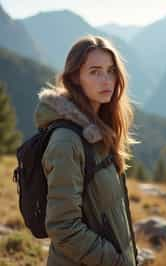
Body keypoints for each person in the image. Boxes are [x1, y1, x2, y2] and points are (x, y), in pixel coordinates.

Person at [34, 35, 139, 266]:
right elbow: (63, 227)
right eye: (95, 71)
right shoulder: (67, 142)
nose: (106, 80)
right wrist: (115, 261)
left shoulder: (100, 132)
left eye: (111, 70)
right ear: (75, 78)